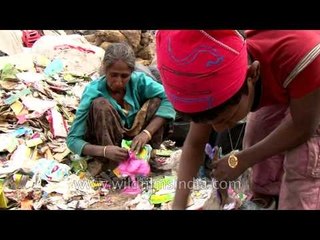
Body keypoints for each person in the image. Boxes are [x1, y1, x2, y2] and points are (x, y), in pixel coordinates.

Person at [156, 30, 320, 210]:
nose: (218, 130)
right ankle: (267, 196)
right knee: (256, 135)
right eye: (212, 122)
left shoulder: (303, 56)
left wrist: (241, 160)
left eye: (226, 118)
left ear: (253, 75)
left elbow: (303, 127)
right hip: (286, 79)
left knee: (304, 160)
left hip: (312, 86)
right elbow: (195, 144)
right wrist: (178, 205)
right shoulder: (210, 82)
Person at [67, 42, 176, 174]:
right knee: (100, 105)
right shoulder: (93, 91)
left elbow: (170, 97)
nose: (118, 81)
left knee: (157, 100)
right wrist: (105, 150)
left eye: (124, 76)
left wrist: (146, 134)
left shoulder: (139, 81)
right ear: (105, 70)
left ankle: (148, 158)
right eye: (113, 75)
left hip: (136, 141)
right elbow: (73, 140)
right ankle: (113, 167)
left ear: (131, 73)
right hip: (107, 147)